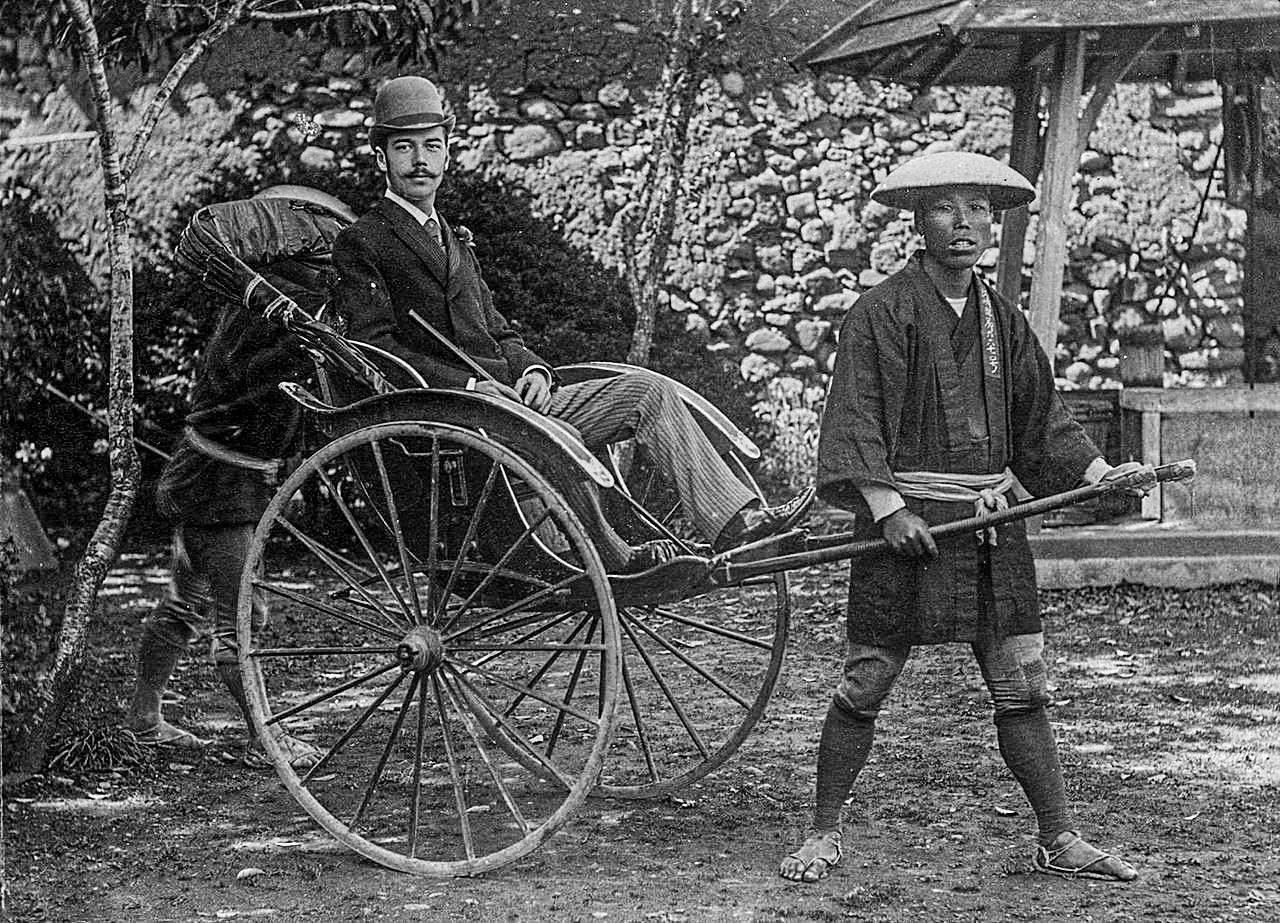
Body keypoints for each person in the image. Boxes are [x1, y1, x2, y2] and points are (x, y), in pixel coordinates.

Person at [779, 151, 1148, 884]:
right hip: (908, 526)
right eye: (947, 208)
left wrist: (1103, 472)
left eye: (978, 209)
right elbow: (855, 421)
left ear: (993, 221)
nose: (965, 224)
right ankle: (823, 831)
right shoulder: (879, 314)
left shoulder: (1001, 321)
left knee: (1021, 680)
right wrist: (885, 507)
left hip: (987, 525)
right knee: (867, 676)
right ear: (920, 222)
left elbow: (1042, 420)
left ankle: (1058, 837)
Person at [331, 76, 813, 565]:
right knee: (561, 440)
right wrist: (472, 388)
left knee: (650, 392)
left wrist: (532, 370)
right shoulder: (365, 241)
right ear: (381, 158)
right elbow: (375, 347)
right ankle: (618, 558)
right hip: (456, 415)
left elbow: (497, 329)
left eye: (432, 146)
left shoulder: (453, 238)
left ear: (448, 154)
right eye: (404, 147)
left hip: (516, 405)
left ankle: (736, 526)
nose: (420, 160)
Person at [122, 190, 349, 768]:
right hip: (220, 483)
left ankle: (144, 721)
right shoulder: (272, 316)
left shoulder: (267, 310)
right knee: (242, 616)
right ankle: (262, 737)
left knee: (185, 601)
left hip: (216, 475)